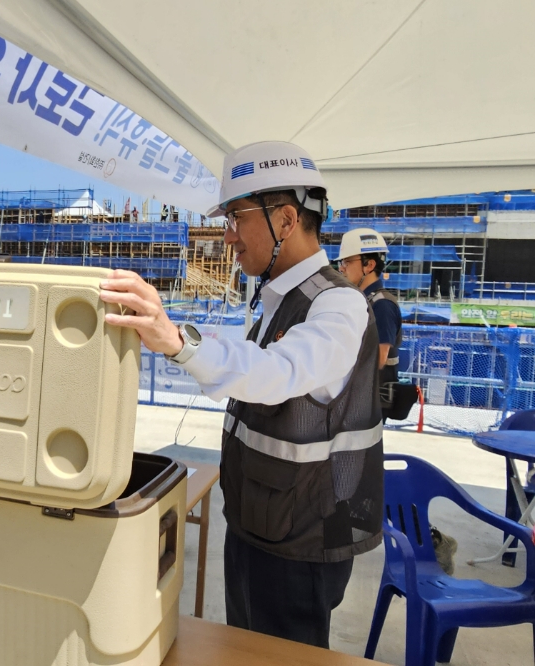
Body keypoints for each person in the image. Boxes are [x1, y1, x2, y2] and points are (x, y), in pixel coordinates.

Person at [100, 141, 383, 649]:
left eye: (236, 217)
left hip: (301, 546)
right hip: (260, 526)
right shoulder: (280, 299)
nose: (227, 237)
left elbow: (276, 373)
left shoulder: (338, 305)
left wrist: (177, 340)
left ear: (288, 218)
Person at [337, 228, 409, 420]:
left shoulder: (382, 304)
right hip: (359, 399)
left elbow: (380, 357)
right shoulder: (363, 300)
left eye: (346, 261)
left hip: (369, 404)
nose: (341, 268)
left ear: (369, 265)